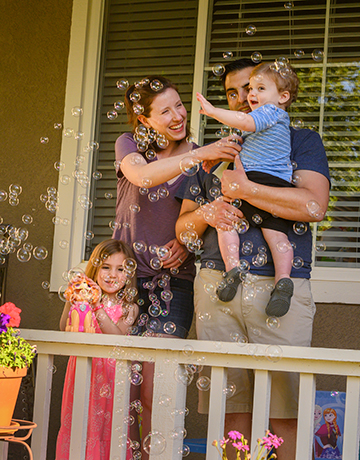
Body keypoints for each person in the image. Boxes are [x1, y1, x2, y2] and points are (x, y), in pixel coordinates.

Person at [176, 58, 330, 460]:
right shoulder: (218, 149)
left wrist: (245, 189)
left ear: (272, 91)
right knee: (230, 410)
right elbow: (183, 230)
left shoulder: (300, 141)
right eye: (232, 93)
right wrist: (206, 215)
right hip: (216, 284)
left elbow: (314, 205)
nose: (243, 98)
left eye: (250, 88)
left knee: (286, 410)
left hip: (278, 284)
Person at [112, 75, 241, 457]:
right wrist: (201, 155)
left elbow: (203, 217)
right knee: (122, 392)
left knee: (157, 391)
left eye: (180, 105)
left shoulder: (203, 158)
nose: (178, 115)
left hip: (173, 286)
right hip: (125, 283)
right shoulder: (131, 145)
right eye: (164, 110)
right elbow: (142, 176)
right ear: (144, 119)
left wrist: (188, 244)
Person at [196, 62, 300, 317]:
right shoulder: (268, 125)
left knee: (226, 225)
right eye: (251, 88)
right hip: (274, 186)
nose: (250, 95)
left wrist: (212, 111)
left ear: (283, 98)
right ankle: (283, 279)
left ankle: (233, 268)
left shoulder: (270, 113)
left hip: (255, 182)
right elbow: (244, 141)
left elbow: (244, 120)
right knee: (277, 238)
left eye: (259, 88)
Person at [56, 239, 139, 460]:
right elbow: (65, 326)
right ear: (95, 268)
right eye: (106, 267)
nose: (112, 275)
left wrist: (97, 307)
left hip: (111, 378)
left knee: (107, 429)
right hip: (82, 375)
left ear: (129, 274)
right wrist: (71, 300)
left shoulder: (129, 308)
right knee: (79, 426)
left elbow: (118, 337)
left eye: (120, 269)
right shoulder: (82, 300)